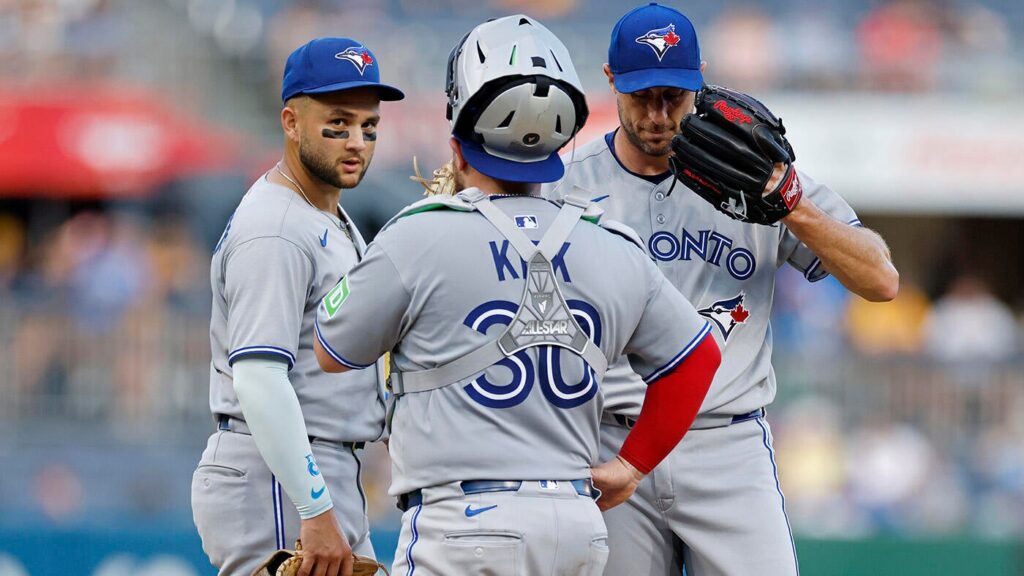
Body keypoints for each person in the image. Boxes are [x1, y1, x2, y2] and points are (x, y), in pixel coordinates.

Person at [314, 15, 721, 576]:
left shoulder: (419, 233)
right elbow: (699, 358)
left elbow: (331, 351)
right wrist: (631, 465)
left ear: (458, 147)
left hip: (463, 522)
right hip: (577, 526)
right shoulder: (610, 241)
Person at [543, 4, 899, 575]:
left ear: (700, 81)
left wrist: (792, 208)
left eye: (674, 97)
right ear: (611, 82)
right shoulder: (566, 187)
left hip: (725, 443)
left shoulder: (753, 168)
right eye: (642, 97)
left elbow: (881, 279)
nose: (659, 115)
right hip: (607, 439)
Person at [191, 37, 403, 576]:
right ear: (291, 122)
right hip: (279, 478)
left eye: (368, 126)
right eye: (338, 123)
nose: (357, 140)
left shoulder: (323, 216)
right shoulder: (277, 228)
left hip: (310, 469)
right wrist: (314, 505)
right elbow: (259, 376)